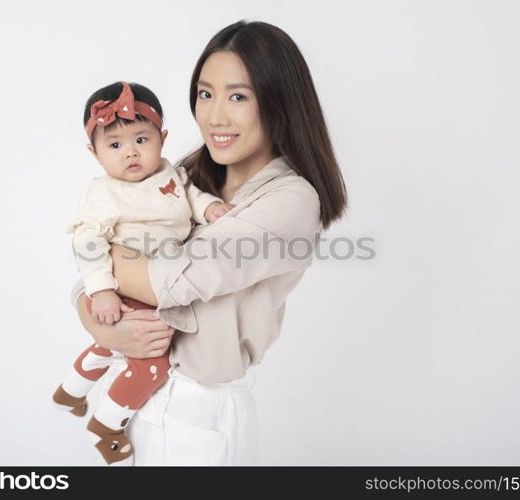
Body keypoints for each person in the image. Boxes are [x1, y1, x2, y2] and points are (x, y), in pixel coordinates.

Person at [70, 20, 348, 465]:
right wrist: (97, 317)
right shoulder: (178, 178)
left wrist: (104, 264)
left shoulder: (290, 201)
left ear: (279, 103)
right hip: (137, 394)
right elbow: (88, 274)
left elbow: (173, 282)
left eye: (238, 96)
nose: (215, 116)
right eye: (205, 93)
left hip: (200, 412)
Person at [53, 81, 233, 466]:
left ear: (162, 139)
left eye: (141, 139)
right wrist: (100, 290)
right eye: (115, 145)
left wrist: (210, 209)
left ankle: (70, 391)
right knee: (151, 360)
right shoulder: (102, 193)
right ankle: (107, 425)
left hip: (160, 279)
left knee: (116, 344)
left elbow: (191, 198)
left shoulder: (170, 174)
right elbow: (88, 244)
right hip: (125, 286)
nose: (131, 152)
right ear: (94, 152)